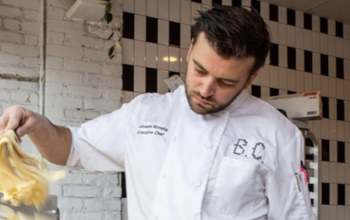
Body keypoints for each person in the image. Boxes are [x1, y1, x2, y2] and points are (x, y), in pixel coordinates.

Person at [0, 5, 314, 220]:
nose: (205, 89)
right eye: (199, 70)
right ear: (190, 49)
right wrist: (36, 123)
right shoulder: (145, 114)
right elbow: (72, 148)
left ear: (251, 77)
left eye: (225, 82)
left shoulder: (278, 134)